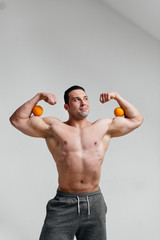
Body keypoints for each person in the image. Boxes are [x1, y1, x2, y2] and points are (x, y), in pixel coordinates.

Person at [10, 86, 143, 240]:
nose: (83, 102)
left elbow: (136, 119)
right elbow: (17, 120)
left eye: (85, 98)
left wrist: (117, 97)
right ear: (66, 106)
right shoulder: (54, 127)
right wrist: (38, 97)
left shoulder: (103, 127)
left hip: (94, 203)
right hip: (64, 203)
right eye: (76, 99)